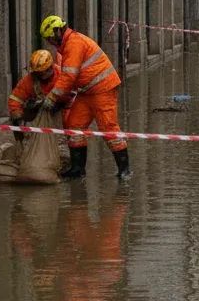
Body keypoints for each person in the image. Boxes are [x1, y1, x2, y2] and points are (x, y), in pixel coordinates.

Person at [38, 15, 130, 180]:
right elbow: (69, 78)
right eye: (47, 39)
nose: (50, 42)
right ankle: (78, 169)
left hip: (103, 89)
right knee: (74, 126)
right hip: (87, 91)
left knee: (108, 128)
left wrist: (52, 97)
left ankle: (125, 170)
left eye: (51, 38)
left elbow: (68, 77)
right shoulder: (67, 45)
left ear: (58, 31)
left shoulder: (74, 44)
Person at [8, 50, 60, 141]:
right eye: (38, 72)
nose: (41, 75)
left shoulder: (62, 75)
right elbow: (15, 97)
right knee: (16, 118)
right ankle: (20, 143)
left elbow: (71, 94)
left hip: (61, 108)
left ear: (50, 67)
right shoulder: (30, 80)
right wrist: (17, 113)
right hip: (41, 108)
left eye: (43, 72)